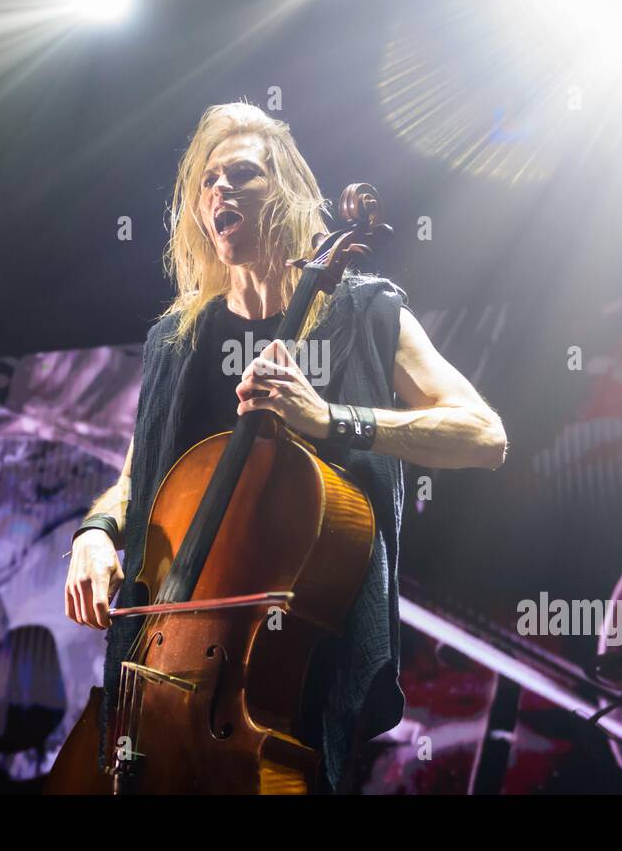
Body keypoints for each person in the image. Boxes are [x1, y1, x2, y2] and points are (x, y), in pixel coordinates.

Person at [63, 101, 507, 792]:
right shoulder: (175, 341)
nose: (220, 192)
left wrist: (331, 419)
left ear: (291, 193)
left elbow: (483, 435)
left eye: (242, 174)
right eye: (207, 183)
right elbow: (139, 476)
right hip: (156, 663)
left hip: (283, 672)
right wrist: (95, 529)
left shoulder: (363, 310)